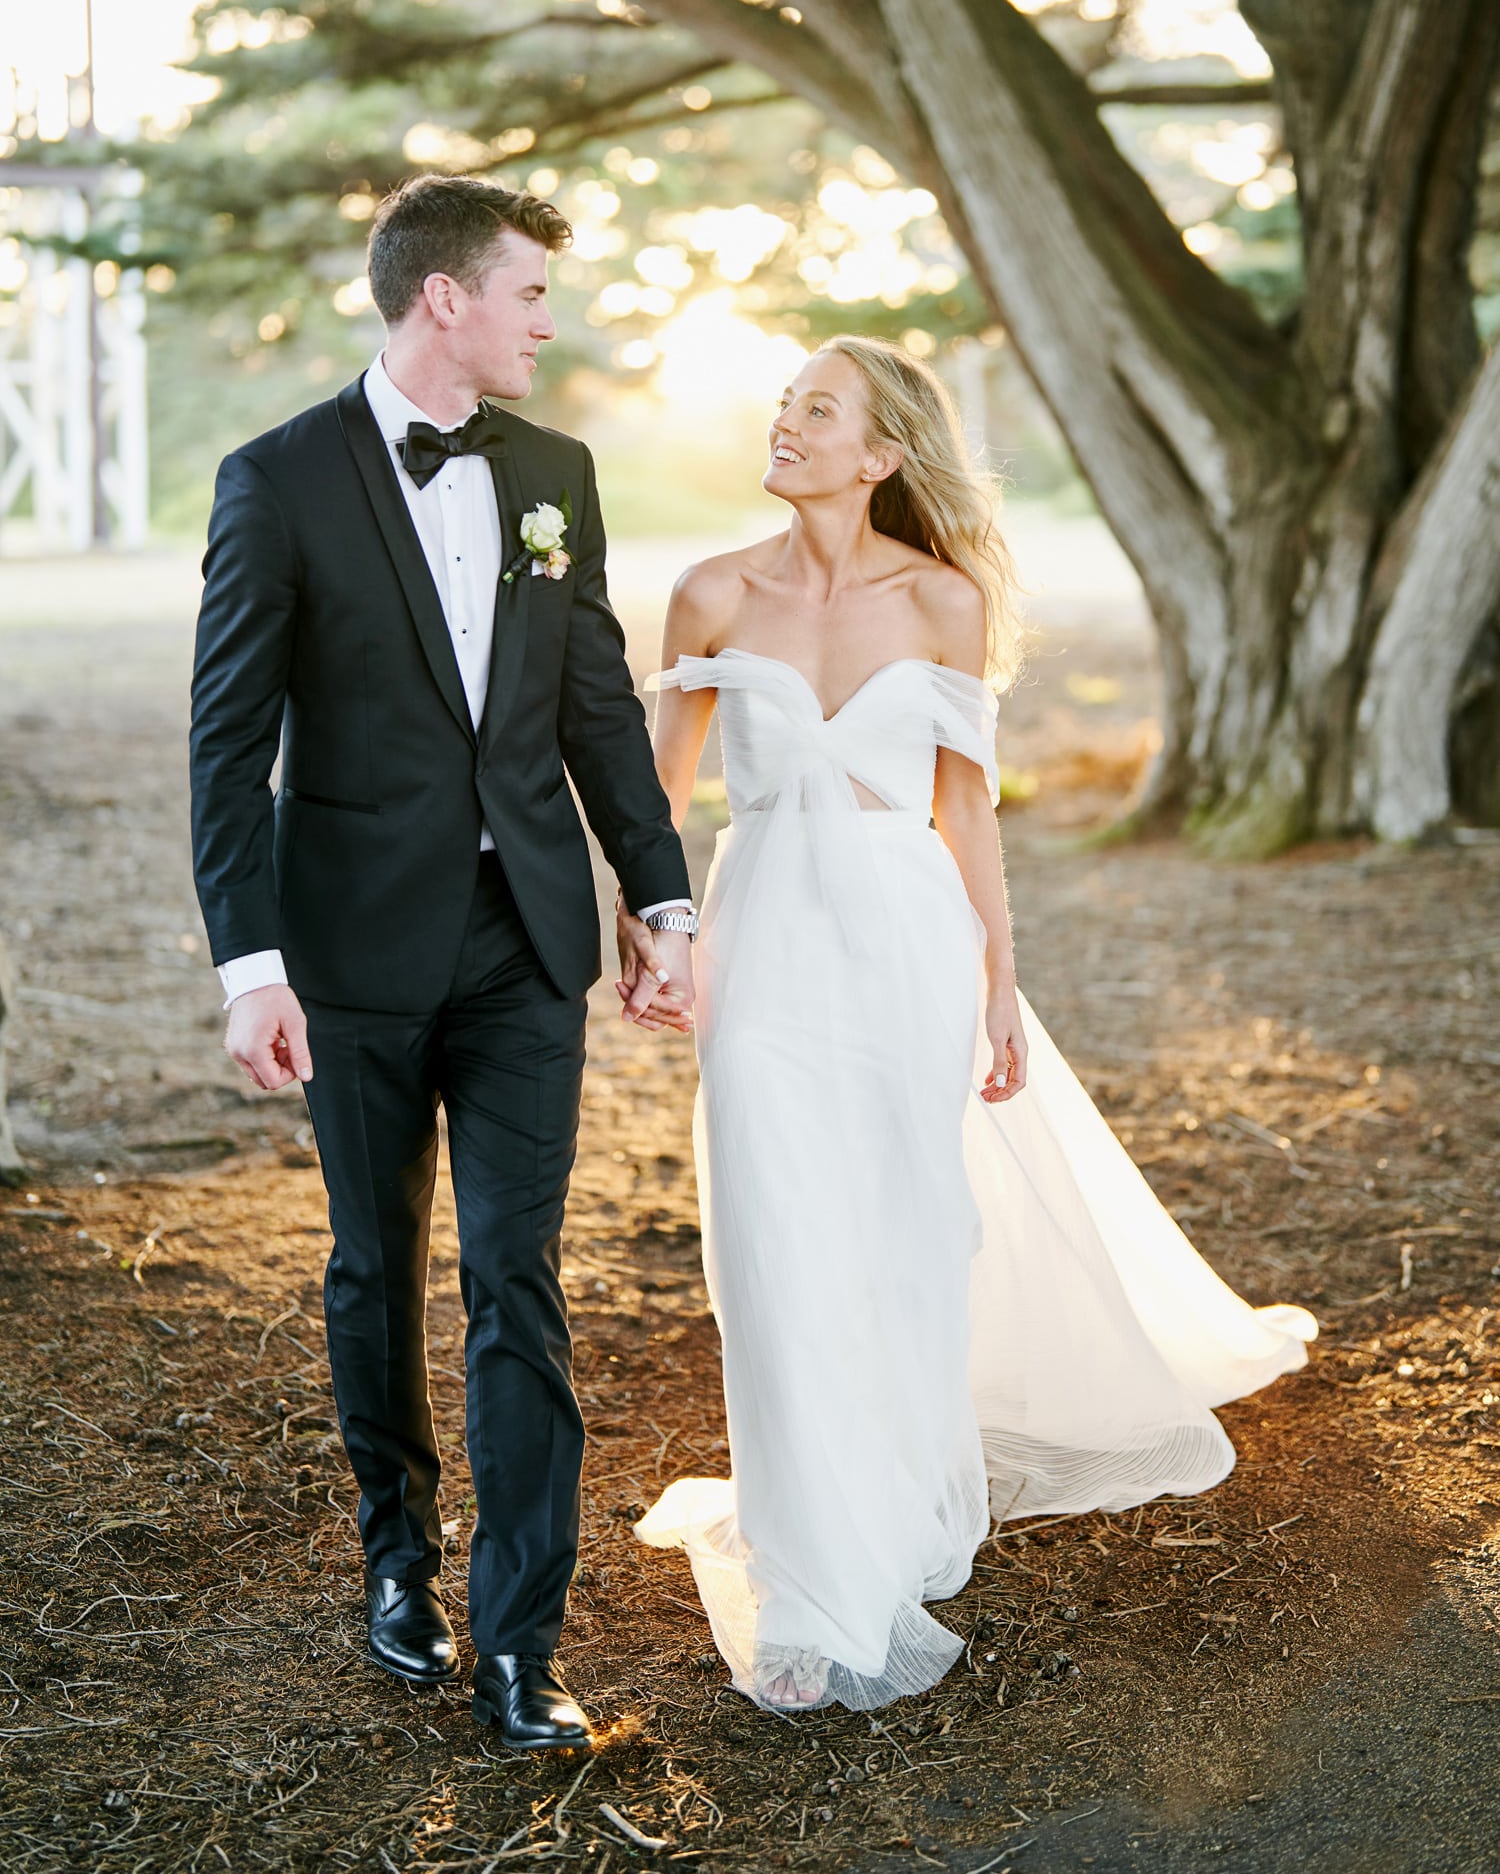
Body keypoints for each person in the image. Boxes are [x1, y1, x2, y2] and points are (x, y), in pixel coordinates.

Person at [619, 335, 1316, 1714]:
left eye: (818, 409)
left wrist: (999, 981)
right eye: (783, 404)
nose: (788, 422)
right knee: (771, 1229)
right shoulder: (707, 593)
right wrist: (648, 934)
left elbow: (966, 807)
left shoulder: (942, 602)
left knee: (905, 1226)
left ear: (881, 454)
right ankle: (816, 1551)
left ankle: (900, 1488)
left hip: (905, 941)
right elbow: (660, 801)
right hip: (761, 945)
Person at [189, 174, 698, 1749]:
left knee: (519, 1277)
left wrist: (661, 897)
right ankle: (397, 1558)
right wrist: (249, 963)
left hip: (526, 940)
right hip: (349, 948)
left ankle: (519, 1637)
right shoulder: (275, 479)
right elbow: (228, 744)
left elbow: (598, 699)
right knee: (372, 1261)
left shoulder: (555, 471)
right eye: (531, 293)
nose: (552, 319)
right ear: (443, 301)